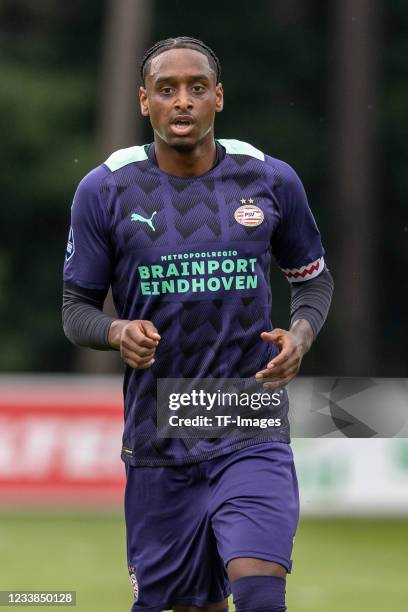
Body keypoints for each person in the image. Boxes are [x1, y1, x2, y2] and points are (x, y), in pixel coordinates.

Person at [62, 36, 333, 612]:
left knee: (260, 593)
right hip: (158, 431)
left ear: (218, 98)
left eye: (196, 88)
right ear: (144, 102)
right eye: (166, 90)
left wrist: (300, 336)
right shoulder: (105, 189)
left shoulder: (270, 180)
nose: (181, 101)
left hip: (248, 416)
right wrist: (116, 332)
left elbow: (312, 279)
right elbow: (75, 310)